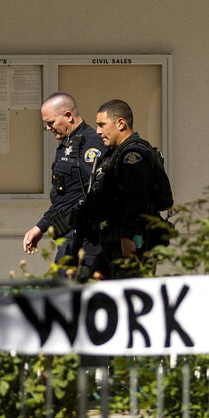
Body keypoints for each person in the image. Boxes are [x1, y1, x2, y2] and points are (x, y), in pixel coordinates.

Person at [85, 98, 173, 278]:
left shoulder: (133, 155)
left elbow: (137, 199)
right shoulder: (115, 154)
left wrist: (127, 237)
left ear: (121, 124)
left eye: (102, 125)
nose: (98, 131)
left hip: (132, 243)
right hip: (114, 242)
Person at [22, 92, 105, 280]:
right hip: (72, 237)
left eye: (51, 123)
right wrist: (42, 226)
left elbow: (92, 194)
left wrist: (41, 227)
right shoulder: (68, 144)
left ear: (68, 116)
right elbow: (65, 196)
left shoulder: (90, 144)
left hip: (89, 241)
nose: (48, 128)